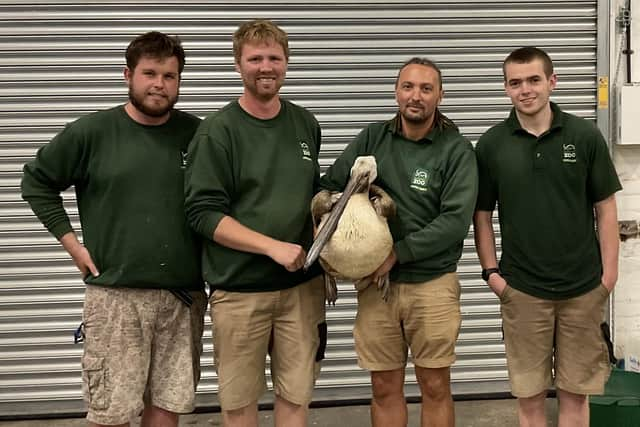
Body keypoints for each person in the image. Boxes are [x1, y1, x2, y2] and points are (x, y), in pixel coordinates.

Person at [21, 31, 206, 427]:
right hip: (115, 298)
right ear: (128, 75)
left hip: (182, 299)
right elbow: (36, 181)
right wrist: (73, 246)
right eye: (150, 73)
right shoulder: (92, 133)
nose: (159, 84)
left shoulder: (199, 135)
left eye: (170, 76)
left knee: (168, 407)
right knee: (112, 414)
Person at [319, 57, 478, 427]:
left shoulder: (456, 150)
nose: (416, 96)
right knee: (384, 385)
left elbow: (455, 222)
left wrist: (396, 254)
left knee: (435, 385)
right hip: (377, 288)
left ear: (440, 95)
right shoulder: (373, 137)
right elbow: (329, 185)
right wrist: (331, 221)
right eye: (408, 87)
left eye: (426, 88)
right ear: (396, 92)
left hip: (432, 286)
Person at [184, 19, 326, 427]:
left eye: (274, 58)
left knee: (297, 397)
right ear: (238, 64)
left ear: (287, 63)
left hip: (301, 290)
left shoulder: (304, 124)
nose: (266, 66)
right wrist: (272, 246)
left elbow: (309, 193)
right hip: (240, 293)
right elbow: (203, 213)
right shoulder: (218, 132)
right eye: (255, 58)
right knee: (240, 404)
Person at [473, 46, 621, 427]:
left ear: (552, 82)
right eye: (515, 82)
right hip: (522, 292)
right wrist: (492, 274)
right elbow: (482, 215)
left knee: (575, 396)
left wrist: (608, 278)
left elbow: (605, 208)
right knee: (530, 399)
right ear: (505, 88)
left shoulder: (584, 136)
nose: (525, 89)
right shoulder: (491, 145)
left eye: (534, 80)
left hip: (583, 290)